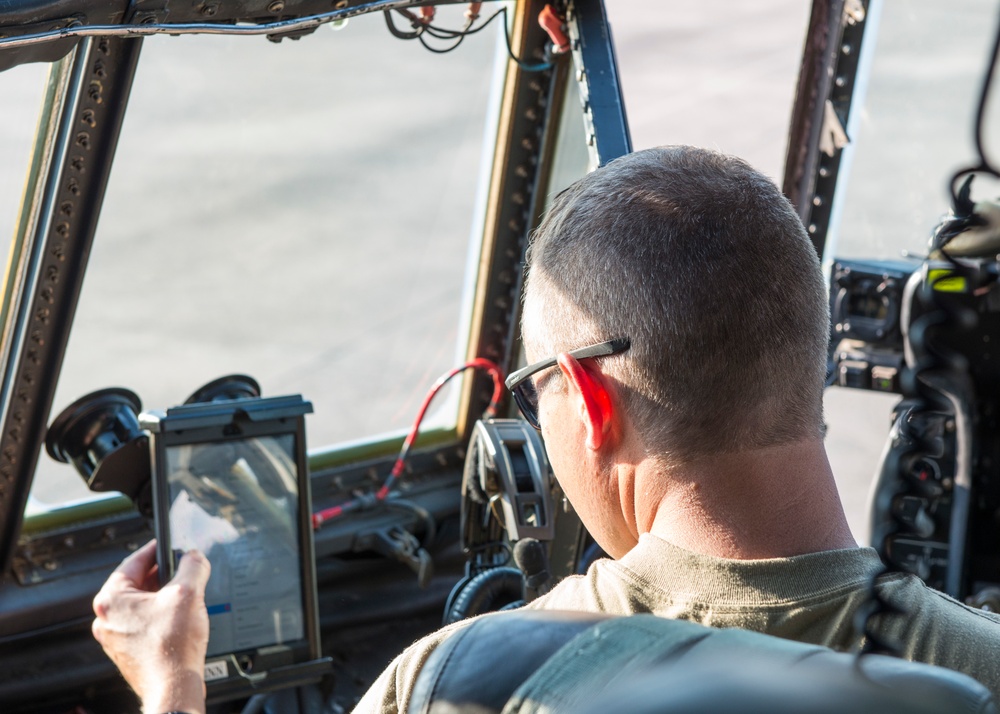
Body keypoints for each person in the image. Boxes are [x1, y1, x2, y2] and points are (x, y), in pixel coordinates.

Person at [92, 146, 1000, 714]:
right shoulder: (974, 675)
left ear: (591, 401)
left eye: (535, 394)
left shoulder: (463, 682)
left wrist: (171, 686)